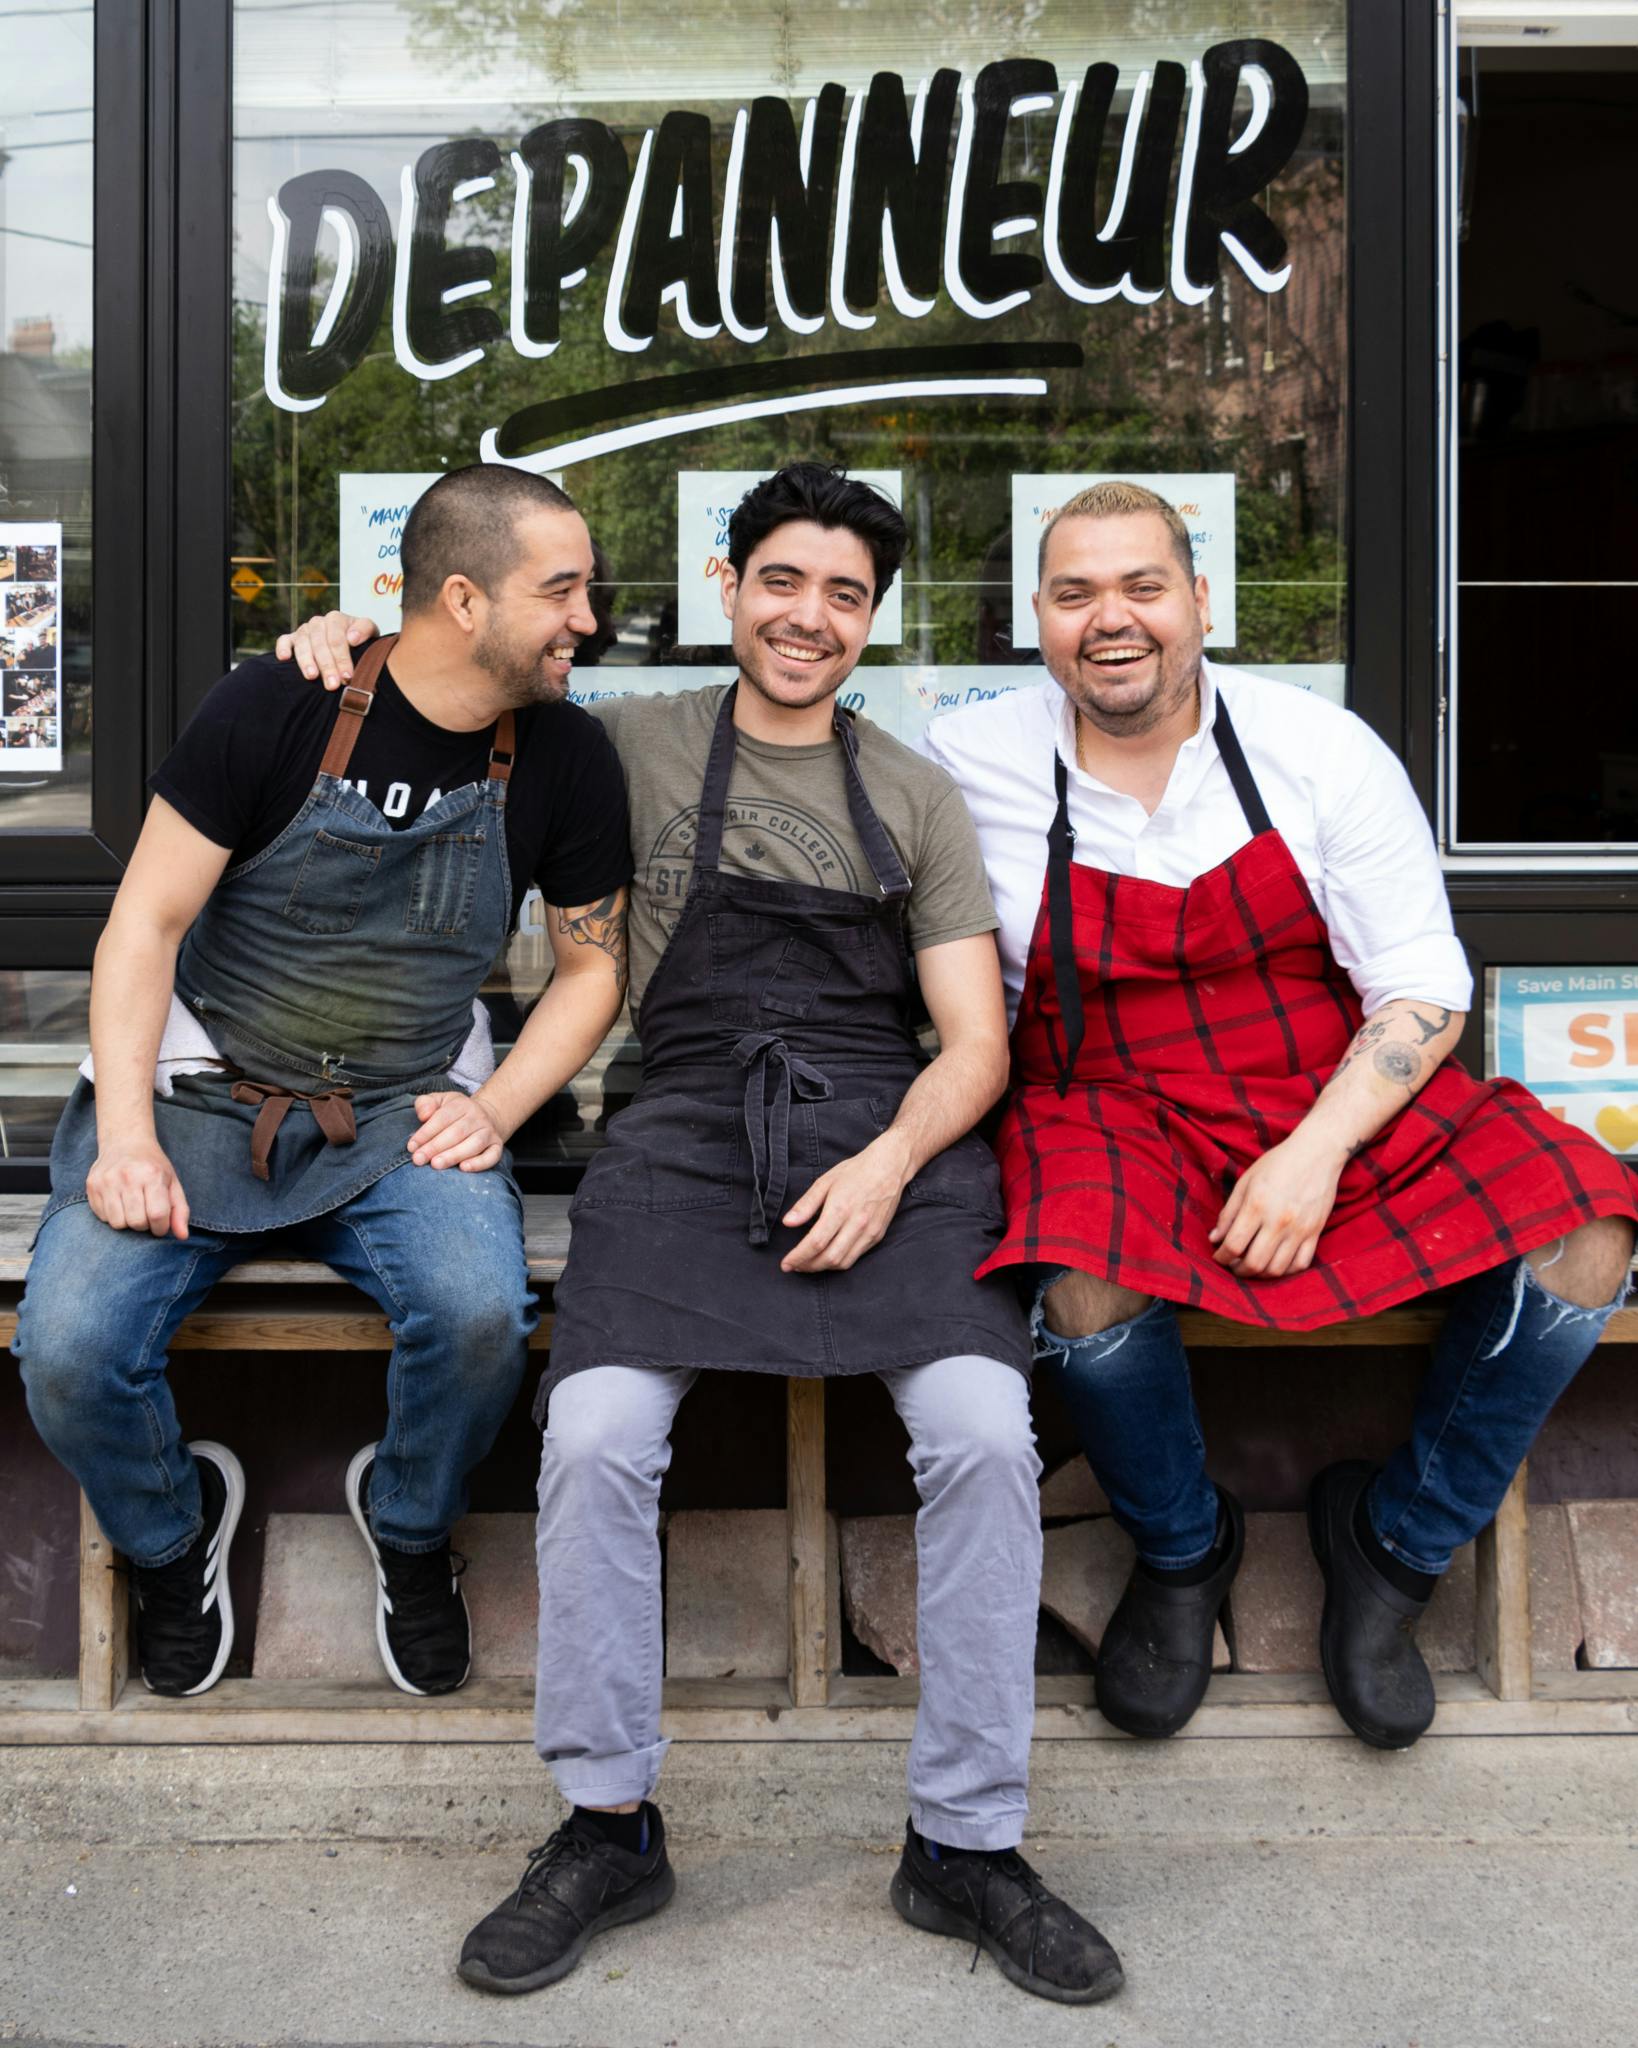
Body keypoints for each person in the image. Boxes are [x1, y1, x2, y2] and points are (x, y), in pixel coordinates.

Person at [282, 463, 1124, 2007]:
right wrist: (337, 639)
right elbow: (440, 682)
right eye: (783, 582)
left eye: (846, 595)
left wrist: (884, 1163)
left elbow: (972, 1046)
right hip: (677, 1134)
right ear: (728, 589)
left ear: (874, 620)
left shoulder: (915, 791)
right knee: (595, 1432)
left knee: (987, 1432)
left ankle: (967, 1843)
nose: (811, 617)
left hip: (890, 1140)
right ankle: (606, 1822)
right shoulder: (611, 744)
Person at [918, 481, 1637, 1750]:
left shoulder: (1319, 747)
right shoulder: (966, 764)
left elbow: (1422, 984)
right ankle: (1185, 1550)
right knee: (1080, 1277)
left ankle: (1396, 1547)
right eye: (1076, 592)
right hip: (1104, 1100)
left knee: (1587, 1231)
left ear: (1202, 601)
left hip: (1327, 1093)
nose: (1111, 618)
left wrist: (1314, 1149)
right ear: (1035, 617)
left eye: (1143, 585)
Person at [14, 466, 633, 1702]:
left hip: (403, 1106)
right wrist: (123, 1137)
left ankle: (408, 1527)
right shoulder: (279, 705)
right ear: (462, 598)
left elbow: (587, 969)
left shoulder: (565, 755)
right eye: (560, 590)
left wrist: (498, 1107)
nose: (589, 617)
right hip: (195, 1096)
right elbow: (143, 922)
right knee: (70, 1347)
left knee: (473, 1316)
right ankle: (170, 1533)